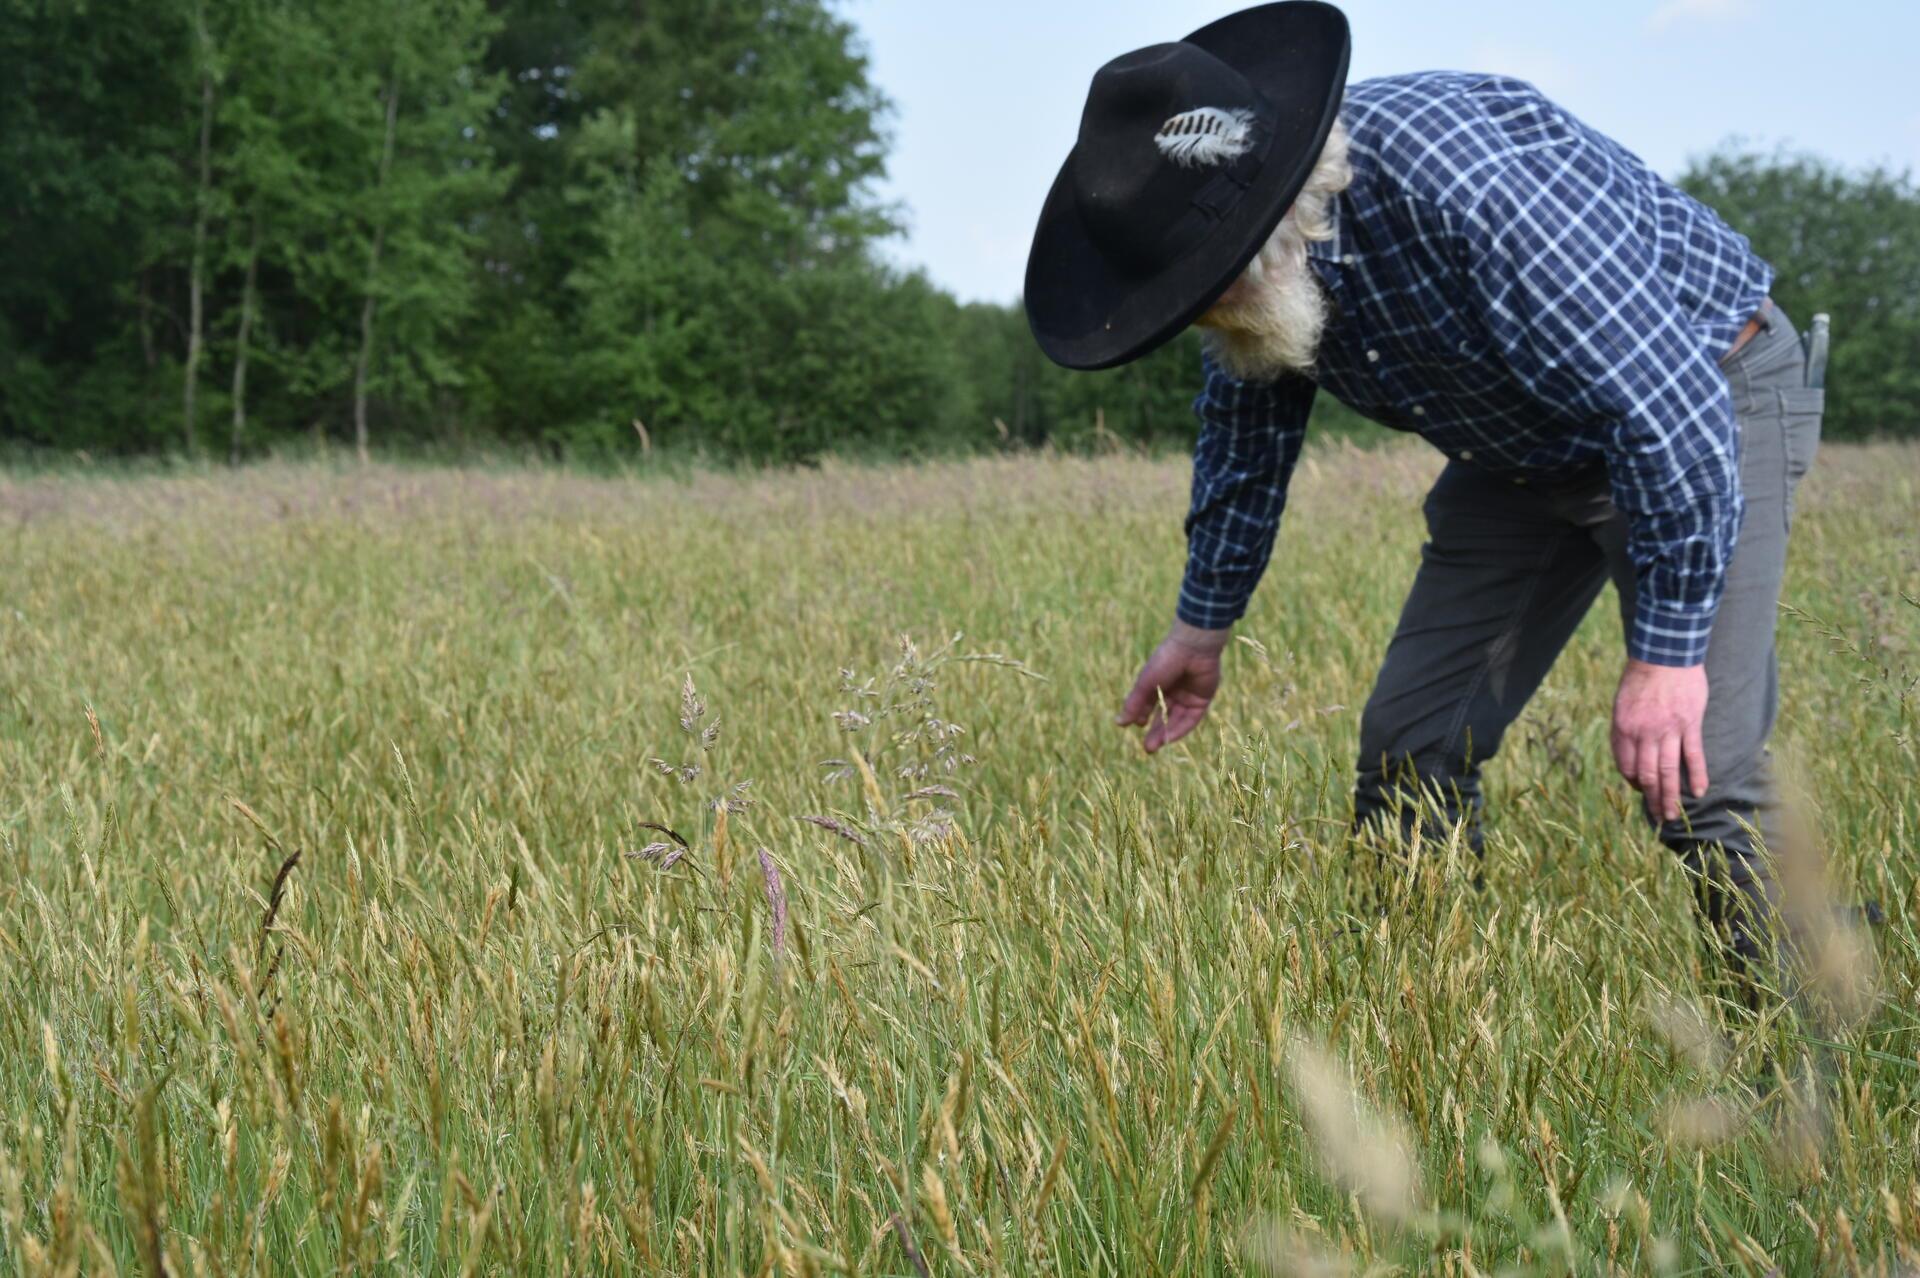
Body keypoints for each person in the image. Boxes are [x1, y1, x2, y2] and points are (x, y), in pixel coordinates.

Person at [1023, 1, 1826, 996]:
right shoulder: (1250, 277)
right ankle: (1425, 1026)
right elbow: (1246, 434)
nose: (1204, 303)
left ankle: (1806, 1044)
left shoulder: (1469, 191)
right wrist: (1203, 625)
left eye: (1211, 279)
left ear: (1282, 208)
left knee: (1697, 771)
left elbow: (1665, 410)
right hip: (1520, 450)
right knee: (1412, 744)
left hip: (1708, 397)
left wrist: (1664, 657)